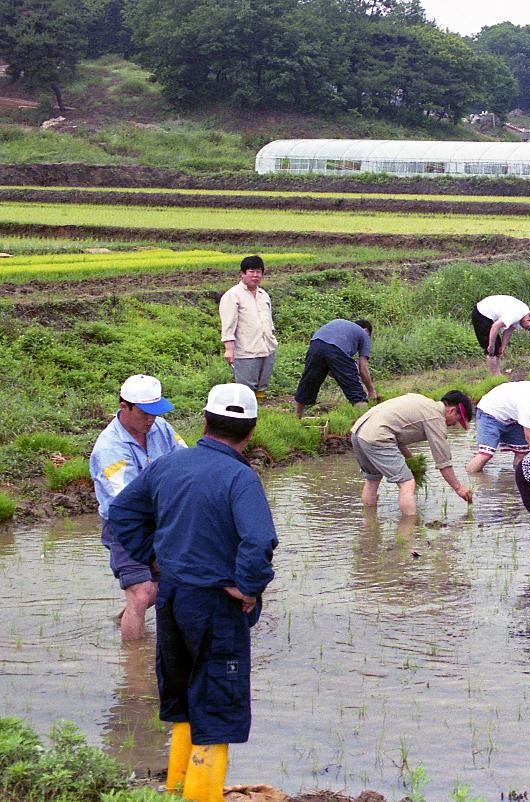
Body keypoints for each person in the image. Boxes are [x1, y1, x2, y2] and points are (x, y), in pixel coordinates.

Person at [109, 384, 278, 802]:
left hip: (171, 600)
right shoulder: (241, 477)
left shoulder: (169, 465)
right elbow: (258, 542)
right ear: (251, 431)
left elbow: (122, 513)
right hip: (216, 606)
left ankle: (176, 789)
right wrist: (249, 589)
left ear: (204, 421)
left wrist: (155, 559)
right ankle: (202, 797)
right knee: (216, 703)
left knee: (184, 696)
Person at [89, 374, 186, 642]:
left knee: (169, 586)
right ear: (124, 407)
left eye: (155, 413)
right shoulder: (109, 449)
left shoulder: (161, 428)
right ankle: (134, 669)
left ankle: (126, 618)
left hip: (162, 518)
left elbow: (184, 462)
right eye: (145, 413)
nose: (151, 419)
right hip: (127, 525)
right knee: (142, 592)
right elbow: (129, 503)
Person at [350, 390, 474, 517]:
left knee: (372, 480)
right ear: (452, 411)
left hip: (358, 432)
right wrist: (458, 488)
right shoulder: (436, 417)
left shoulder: (422, 401)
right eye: (457, 421)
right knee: (407, 483)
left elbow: (396, 433)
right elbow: (443, 462)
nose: (453, 425)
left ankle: (369, 526)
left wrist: (411, 460)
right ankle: (409, 531)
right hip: (377, 436)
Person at [219, 255, 277, 398]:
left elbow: (269, 321)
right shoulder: (233, 295)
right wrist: (229, 349)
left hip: (266, 347)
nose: (255, 275)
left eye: (258, 272)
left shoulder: (264, 295)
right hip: (246, 350)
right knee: (246, 388)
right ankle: (247, 415)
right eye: (251, 271)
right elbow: (228, 325)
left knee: (262, 385)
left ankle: (259, 412)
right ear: (243, 274)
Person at [293, 318, 376, 417]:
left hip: (315, 344)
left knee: (308, 382)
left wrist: (340, 375)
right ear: (367, 332)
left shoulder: (341, 324)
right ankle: (363, 423)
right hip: (337, 350)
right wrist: (371, 391)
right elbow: (363, 368)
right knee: (356, 391)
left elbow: (327, 361)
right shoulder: (364, 335)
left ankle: (296, 417)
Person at [466, 380, 530, 473]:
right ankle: (470, 479)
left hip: (511, 417)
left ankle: (520, 480)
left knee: (522, 452)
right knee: (486, 454)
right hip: (489, 412)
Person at [472, 294, 530, 375]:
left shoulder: (525, 313)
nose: (525, 329)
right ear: (529, 320)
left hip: (490, 314)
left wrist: (503, 347)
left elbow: (509, 330)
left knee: (497, 349)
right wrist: (491, 345)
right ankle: (495, 377)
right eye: (527, 328)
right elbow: (495, 327)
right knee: (492, 351)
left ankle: (497, 375)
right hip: (482, 313)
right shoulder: (516, 315)